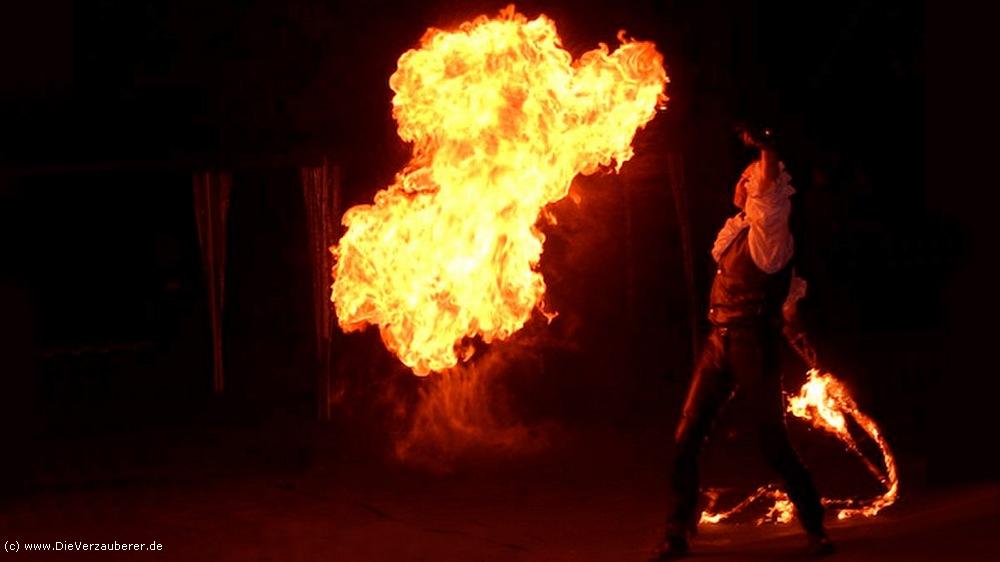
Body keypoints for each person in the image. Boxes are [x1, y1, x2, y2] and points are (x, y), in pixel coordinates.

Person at [651, 124, 833, 559]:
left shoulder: (769, 233)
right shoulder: (740, 232)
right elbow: (783, 292)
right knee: (686, 436)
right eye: (743, 175)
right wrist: (792, 317)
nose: (742, 181)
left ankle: (815, 525)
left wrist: (768, 149)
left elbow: (770, 195)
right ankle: (677, 529)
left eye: (747, 177)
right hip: (718, 343)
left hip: (752, 347)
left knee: (772, 441)